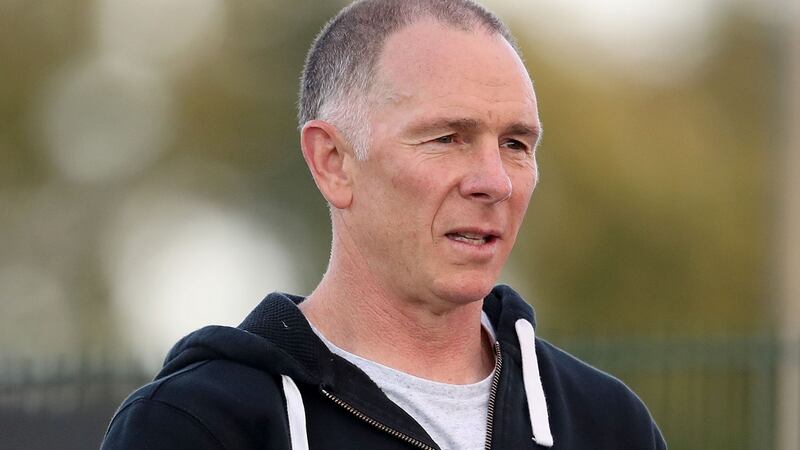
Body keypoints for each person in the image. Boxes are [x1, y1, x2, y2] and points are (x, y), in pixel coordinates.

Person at [101, 1, 666, 449]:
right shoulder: (198, 425)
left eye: (516, 144)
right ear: (333, 162)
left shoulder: (608, 425)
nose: (496, 181)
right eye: (448, 138)